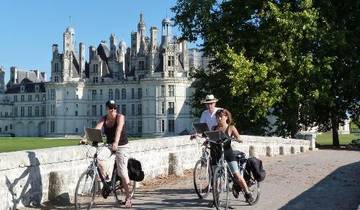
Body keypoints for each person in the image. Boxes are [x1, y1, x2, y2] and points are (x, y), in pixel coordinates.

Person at [82, 100, 132, 208]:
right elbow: (97, 129)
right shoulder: (103, 118)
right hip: (110, 145)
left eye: (114, 108)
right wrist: (85, 138)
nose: (113, 110)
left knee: (122, 172)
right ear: (107, 109)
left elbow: (118, 130)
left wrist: (116, 142)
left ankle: (128, 198)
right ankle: (107, 179)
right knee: (98, 158)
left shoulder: (120, 117)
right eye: (110, 108)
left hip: (122, 146)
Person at [212, 108, 254, 203]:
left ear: (226, 117)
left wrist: (238, 139)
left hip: (228, 153)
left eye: (220, 117)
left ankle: (247, 193)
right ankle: (216, 199)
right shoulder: (214, 128)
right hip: (217, 153)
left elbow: (239, 137)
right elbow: (210, 138)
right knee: (216, 177)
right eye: (217, 117)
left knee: (237, 175)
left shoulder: (230, 127)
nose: (218, 119)